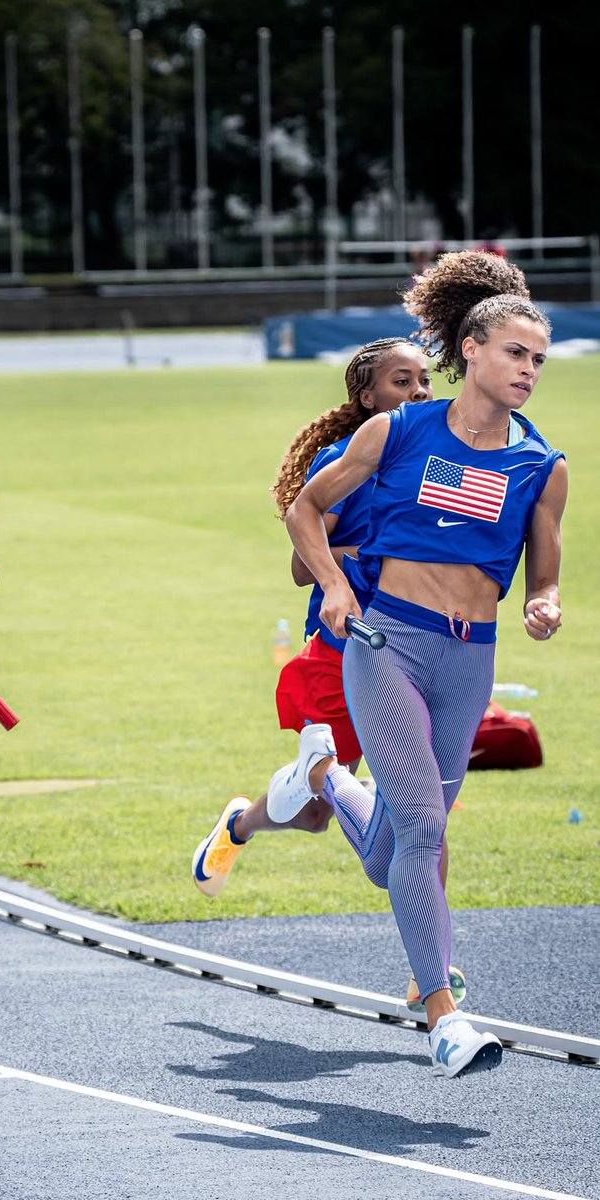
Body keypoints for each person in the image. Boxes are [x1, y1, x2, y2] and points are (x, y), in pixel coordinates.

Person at [283, 249, 566, 1078]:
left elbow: (542, 572)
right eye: (515, 353)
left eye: (539, 360)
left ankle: (329, 780)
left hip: (468, 662)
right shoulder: (395, 429)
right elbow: (307, 507)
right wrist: (335, 585)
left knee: (390, 851)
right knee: (424, 830)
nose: (527, 370)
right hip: (386, 645)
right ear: (471, 350)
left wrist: (541, 604)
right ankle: (442, 1015)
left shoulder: (540, 466)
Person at [192, 337, 461, 1009]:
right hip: (341, 655)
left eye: (425, 379)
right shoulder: (346, 459)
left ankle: (432, 969)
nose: (420, 392)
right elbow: (297, 562)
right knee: (314, 817)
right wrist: (362, 557)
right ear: (367, 398)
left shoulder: (437, 458)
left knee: (424, 820)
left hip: (416, 655)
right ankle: (239, 826)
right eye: (402, 382)